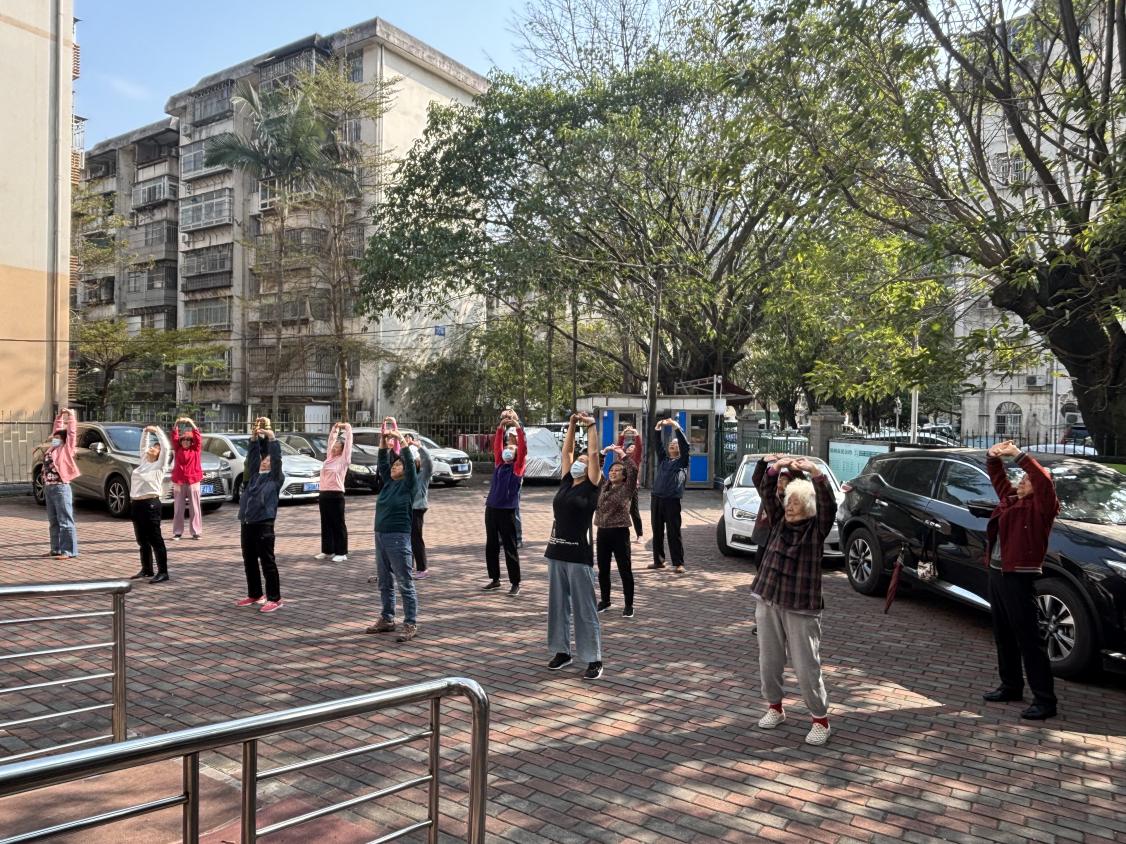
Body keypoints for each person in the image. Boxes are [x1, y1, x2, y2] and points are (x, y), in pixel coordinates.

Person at [752, 456, 836, 746]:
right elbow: (765, 490)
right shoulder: (778, 522)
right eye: (788, 501)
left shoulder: (816, 529)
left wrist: (815, 473)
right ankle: (775, 707)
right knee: (769, 660)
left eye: (795, 503)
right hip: (768, 598)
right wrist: (773, 467)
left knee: (806, 665)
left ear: (808, 506)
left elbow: (828, 505)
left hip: (801, 605)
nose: (789, 506)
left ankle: (820, 720)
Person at [982, 440, 1060, 721]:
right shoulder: (1011, 499)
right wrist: (992, 456)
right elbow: (998, 477)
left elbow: (1043, 481)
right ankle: (1011, 686)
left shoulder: (1042, 507)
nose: (1023, 481)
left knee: (1028, 638)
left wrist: (1018, 455)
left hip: (1019, 576)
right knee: (1003, 634)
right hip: (998, 573)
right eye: (1022, 478)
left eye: (1027, 479)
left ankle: (1045, 701)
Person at [545, 412, 604, 679]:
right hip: (556, 552)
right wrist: (571, 424)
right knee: (557, 607)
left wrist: (590, 426)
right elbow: (566, 452)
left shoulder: (592, 486)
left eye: (583, 462)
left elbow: (592, 455)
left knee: (584, 608)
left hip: (579, 554)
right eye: (577, 461)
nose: (579, 463)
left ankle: (593, 658)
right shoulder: (567, 481)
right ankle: (562, 651)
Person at [365, 420, 420, 642]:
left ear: (406, 471)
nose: (394, 467)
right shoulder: (388, 483)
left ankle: (410, 622)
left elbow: (409, 462)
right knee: (384, 580)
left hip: (398, 537)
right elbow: (382, 462)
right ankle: (387, 618)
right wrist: (383, 441)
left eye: (398, 465)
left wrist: (400, 440)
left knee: (404, 581)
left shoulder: (408, 485)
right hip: (380, 535)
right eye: (394, 465)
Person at [236, 417, 284, 613]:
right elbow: (253, 457)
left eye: (268, 461)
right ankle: (255, 594)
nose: (265, 462)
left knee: (267, 562)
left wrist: (272, 438)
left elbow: (277, 458)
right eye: (264, 460)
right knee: (249, 561)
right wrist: (254, 438)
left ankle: (275, 598)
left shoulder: (275, 478)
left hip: (264, 523)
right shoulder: (255, 475)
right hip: (247, 522)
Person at [482, 409, 526, 595]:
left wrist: (517, 426)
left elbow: (523, 449)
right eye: (507, 448)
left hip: (507, 511)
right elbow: (497, 447)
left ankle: (515, 583)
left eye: (511, 449)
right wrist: (501, 427)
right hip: (491, 508)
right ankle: (495, 579)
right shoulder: (500, 464)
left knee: (510, 547)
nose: (508, 450)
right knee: (491, 545)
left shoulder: (517, 468)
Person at [595, 444, 637, 617]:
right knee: (603, 569)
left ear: (624, 475)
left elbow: (633, 469)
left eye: (617, 470)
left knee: (624, 569)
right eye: (611, 470)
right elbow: (595, 470)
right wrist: (603, 454)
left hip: (619, 532)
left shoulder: (627, 488)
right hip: (602, 531)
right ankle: (605, 600)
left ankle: (629, 605)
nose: (613, 473)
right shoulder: (604, 486)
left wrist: (622, 454)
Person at [129, 425, 170, 583]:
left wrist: (157, 431)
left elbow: (166, 447)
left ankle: (163, 572)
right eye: (153, 446)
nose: (153, 448)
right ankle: (147, 569)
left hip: (150, 504)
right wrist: (145, 432)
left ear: (160, 454)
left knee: (155, 539)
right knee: (142, 539)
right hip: (136, 504)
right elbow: (143, 446)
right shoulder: (144, 462)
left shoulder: (159, 466)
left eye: (156, 447)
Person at [648, 417, 690, 573]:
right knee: (657, 531)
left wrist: (676, 426)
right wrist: (657, 428)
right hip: (656, 499)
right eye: (671, 443)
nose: (673, 444)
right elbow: (657, 444)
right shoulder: (664, 460)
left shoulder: (683, 461)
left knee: (673, 532)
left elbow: (685, 445)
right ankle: (658, 561)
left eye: (676, 444)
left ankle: (678, 563)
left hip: (672, 501)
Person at [42, 408, 80, 559]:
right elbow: (57, 429)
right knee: (53, 521)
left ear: (63, 440)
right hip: (49, 488)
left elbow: (71, 433)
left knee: (65, 521)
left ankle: (69, 551)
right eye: (54, 437)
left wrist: (70, 416)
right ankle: (56, 549)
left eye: (58, 438)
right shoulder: (52, 449)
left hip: (61, 488)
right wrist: (59, 416)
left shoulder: (66, 449)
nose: (55, 439)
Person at [316, 421, 352, 563]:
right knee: (326, 523)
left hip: (336, 495)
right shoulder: (328, 459)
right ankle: (327, 550)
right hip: (324, 494)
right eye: (334, 446)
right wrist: (335, 429)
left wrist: (347, 428)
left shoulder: (344, 460)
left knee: (338, 523)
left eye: (337, 447)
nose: (334, 448)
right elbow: (331, 440)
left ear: (342, 450)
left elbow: (348, 443)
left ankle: (341, 552)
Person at [404, 433, 434, 578]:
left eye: (415, 460)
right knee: (407, 538)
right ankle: (409, 566)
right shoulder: (407, 475)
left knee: (416, 538)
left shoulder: (423, 474)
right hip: (407, 508)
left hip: (418, 508)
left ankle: (422, 568)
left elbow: (428, 460)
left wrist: (418, 446)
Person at [170, 416, 203, 540]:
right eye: (183, 439)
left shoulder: (196, 450)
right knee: (178, 508)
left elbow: (198, 436)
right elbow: (174, 436)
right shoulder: (177, 448)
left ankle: (196, 532)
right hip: (179, 481)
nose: (185, 441)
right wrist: (177, 422)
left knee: (195, 508)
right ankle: (177, 532)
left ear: (191, 441)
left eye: (188, 440)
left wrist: (190, 422)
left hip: (193, 481)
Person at [616, 425, 644, 540]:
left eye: (633, 447)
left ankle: (640, 534)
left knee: (633, 511)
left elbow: (639, 447)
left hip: (631, 487)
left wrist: (635, 433)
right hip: (619, 486)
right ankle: (617, 533)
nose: (632, 447)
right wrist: (623, 433)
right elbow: (619, 446)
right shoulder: (621, 457)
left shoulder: (635, 458)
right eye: (630, 446)